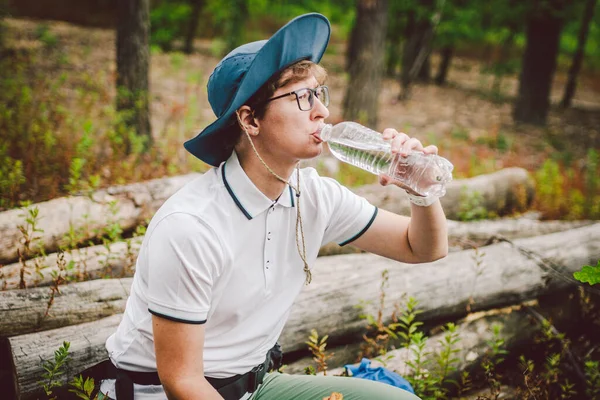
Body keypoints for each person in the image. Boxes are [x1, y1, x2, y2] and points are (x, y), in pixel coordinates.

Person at [98, 12, 448, 400]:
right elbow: (182, 381)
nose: (322, 112)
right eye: (301, 97)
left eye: (318, 94)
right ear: (250, 120)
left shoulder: (314, 196)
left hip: (255, 388)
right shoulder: (191, 226)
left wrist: (420, 190)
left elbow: (424, 248)